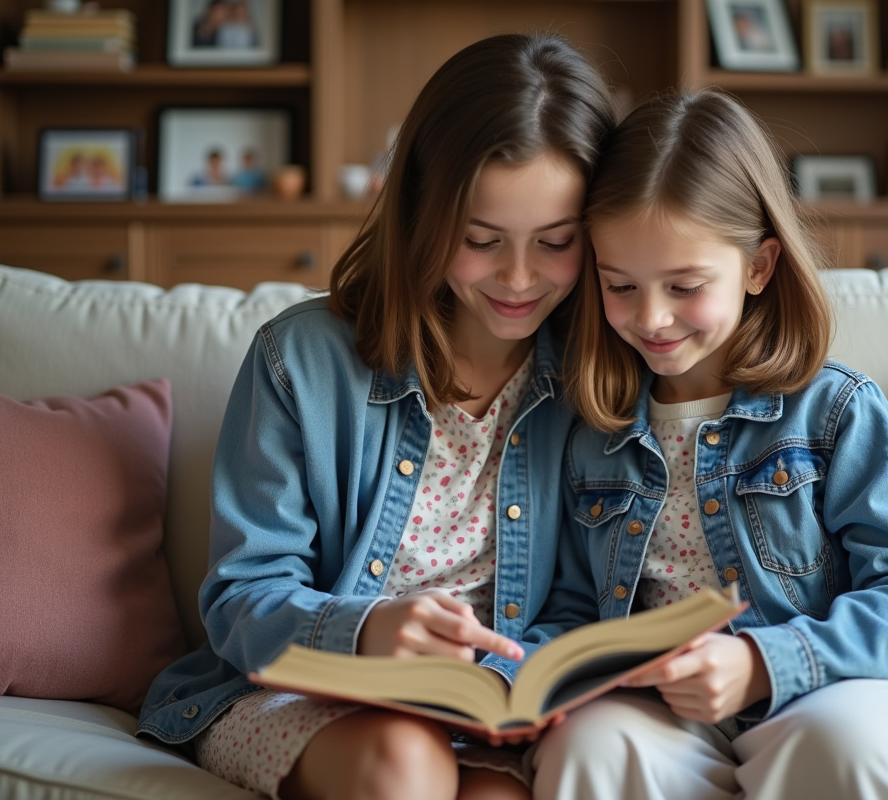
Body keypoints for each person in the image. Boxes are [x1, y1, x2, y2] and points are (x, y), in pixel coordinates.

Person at [136, 33, 615, 800]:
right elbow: (242, 597)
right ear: (424, 214)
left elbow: (582, 603)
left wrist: (506, 680)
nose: (519, 278)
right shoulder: (301, 360)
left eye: (556, 243)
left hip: (485, 711)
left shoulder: (597, 378)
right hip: (298, 692)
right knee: (404, 763)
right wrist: (366, 630)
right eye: (481, 240)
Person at [526, 89, 888, 800]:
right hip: (674, 714)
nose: (651, 317)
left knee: (835, 746)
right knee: (587, 749)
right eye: (620, 285)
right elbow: (573, 611)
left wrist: (763, 663)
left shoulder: (833, 410)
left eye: (684, 286)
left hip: (838, 687)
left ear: (759, 266)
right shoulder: (594, 432)